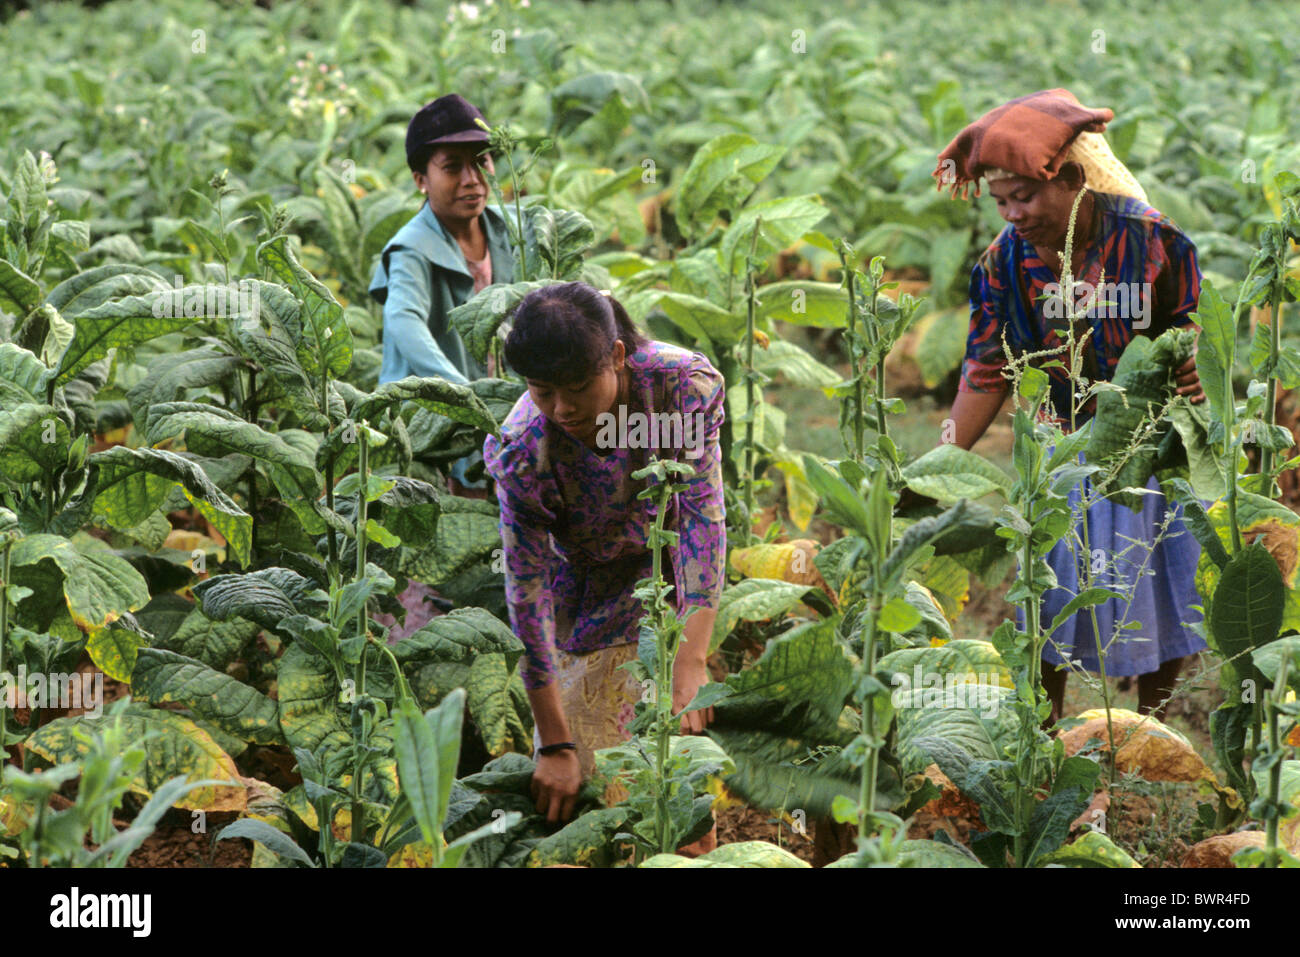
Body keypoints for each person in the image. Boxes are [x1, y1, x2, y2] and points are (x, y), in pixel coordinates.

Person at [933, 89, 1208, 723]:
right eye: (1000, 201)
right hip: (1061, 440)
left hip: (1151, 443)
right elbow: (985, 368)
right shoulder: (1002, 263)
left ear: (1073, 180)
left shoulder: (1154, 241)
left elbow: (1190, 328)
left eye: (1024, 197)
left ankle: (1146, 733)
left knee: (1162, 584)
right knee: (1048, 592)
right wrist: (942, 460)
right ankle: (1045, 735)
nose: (1012, 214)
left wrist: (1192, 365)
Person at [482, 282, 726, 828]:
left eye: (577, 387)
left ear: (616, 356)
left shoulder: (678, 388)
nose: (562, 409)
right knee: (598, 796)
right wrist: (554, 744)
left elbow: (701, 524)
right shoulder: (523, 448)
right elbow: (527, 596)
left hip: (672, 578)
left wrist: (689, 664)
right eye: (542, 390)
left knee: (683, 780)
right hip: (587, 593)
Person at [368, 92, 515, 491]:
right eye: (452, 168)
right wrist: (465, 397)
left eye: (481, 162)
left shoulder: (508, 230)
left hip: (499, 412)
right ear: (421, 180)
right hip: (430, 425)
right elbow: (404, 320)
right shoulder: (411, 247)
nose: (472, 179)